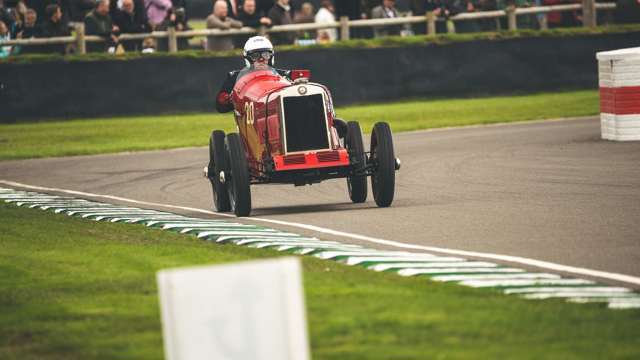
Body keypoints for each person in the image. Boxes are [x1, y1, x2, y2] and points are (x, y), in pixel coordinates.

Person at [215, 35, 292, 113]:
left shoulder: (284, 75)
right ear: (248, 58)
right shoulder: (235, 77)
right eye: (255, 56)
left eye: (266, 54)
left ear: (271, 56)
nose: (261, 59)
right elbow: (220, 106)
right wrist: (231, 98)